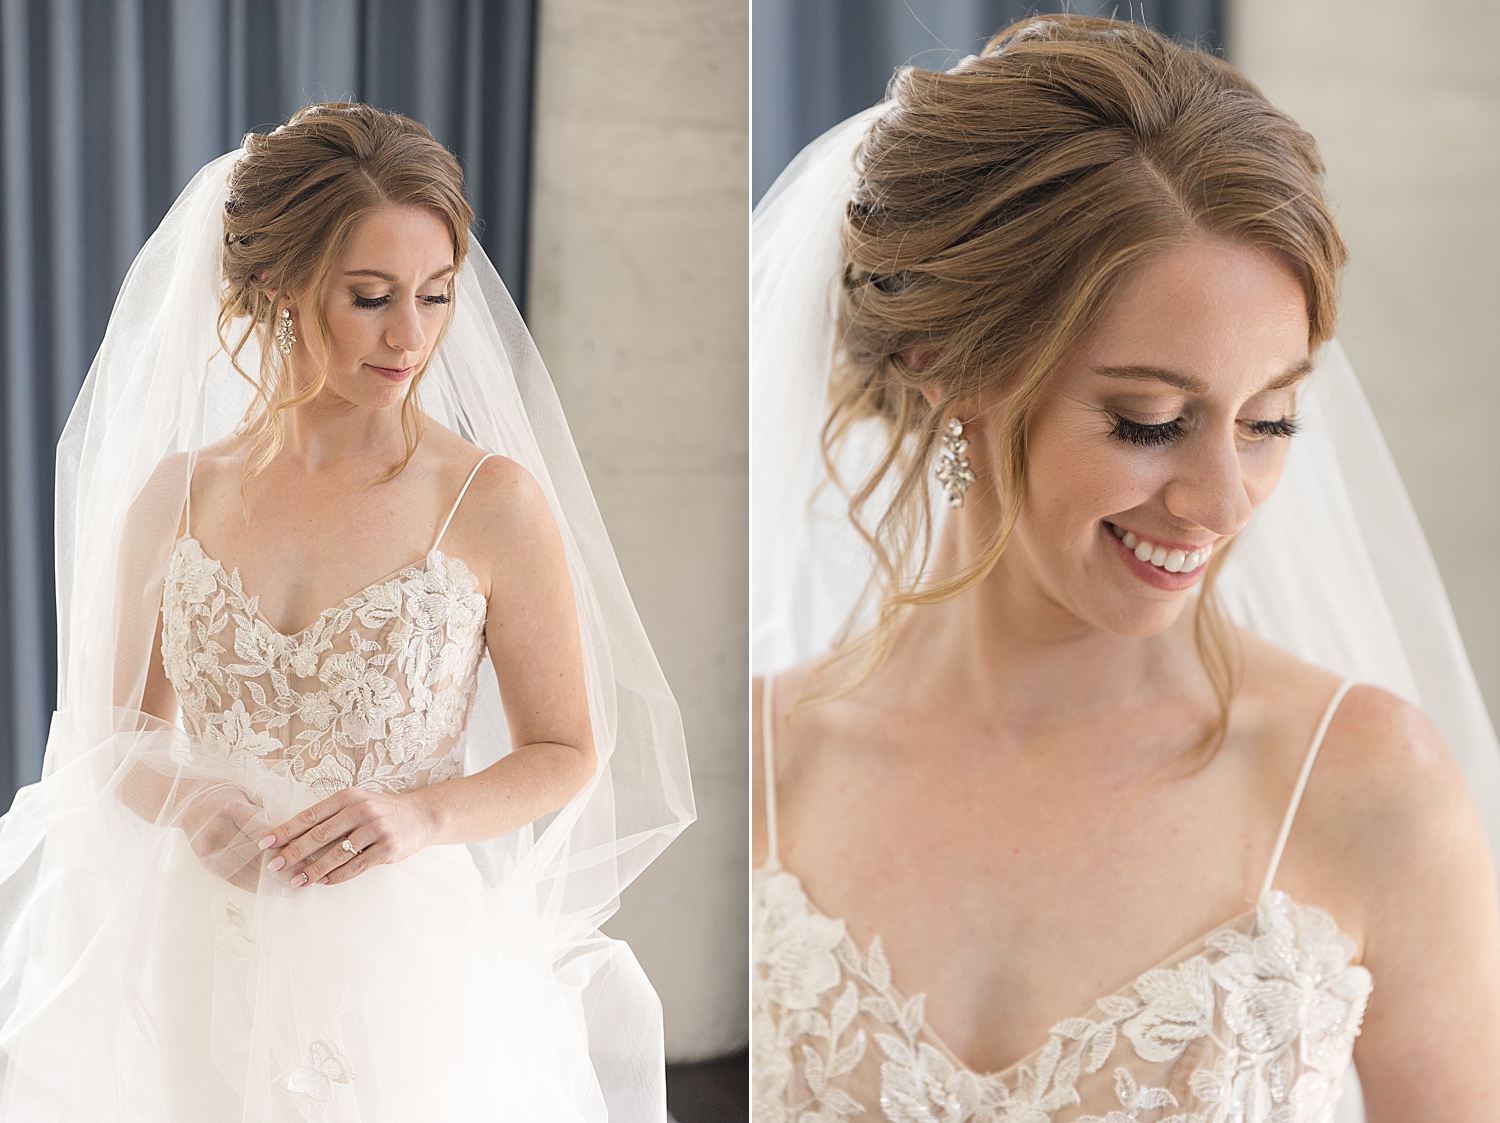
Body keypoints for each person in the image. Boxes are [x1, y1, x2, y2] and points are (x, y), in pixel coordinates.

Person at [751, 16, 1500, 1122]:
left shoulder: (1364, 783)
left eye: (1271, 421)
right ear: (946, 369)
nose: (1225, 502)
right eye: (1149, 422)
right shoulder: (764, 773)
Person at [0, 103, 693, 1120]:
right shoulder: (175, 495)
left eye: (435, 295)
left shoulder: (489, 501)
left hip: (400, 958)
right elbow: (116, 736)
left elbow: (567, 748)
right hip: (198, 947)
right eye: (371, 297)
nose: (411, 335)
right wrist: (188, 801)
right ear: (280, 284)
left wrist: (420, 814)